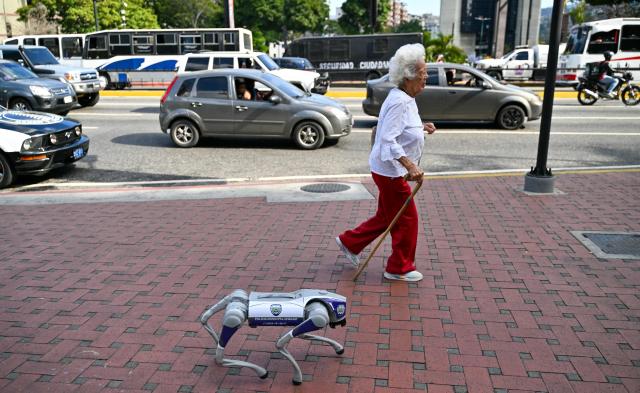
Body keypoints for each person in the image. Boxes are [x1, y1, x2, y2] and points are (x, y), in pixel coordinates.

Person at [335, 43, 436, 282]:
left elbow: (399, 128)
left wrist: (420, 127)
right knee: (407, 219)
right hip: (390, 172)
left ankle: (349, 241)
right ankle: (399, 268)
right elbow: (388, 139)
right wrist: (410, 165)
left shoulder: (406, 97)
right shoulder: (400, 101)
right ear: (409, 76)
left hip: (389, 170)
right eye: (423, 74)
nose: (426, 78)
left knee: (387, 216)